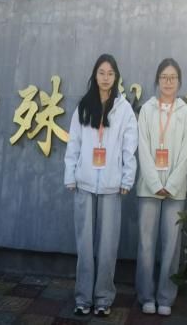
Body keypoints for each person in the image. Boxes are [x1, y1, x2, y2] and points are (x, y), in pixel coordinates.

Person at [63, 53, 138, 317]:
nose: (106, 78)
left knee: (108, 247)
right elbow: (74, 143)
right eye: (101, 73)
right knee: (84, 246)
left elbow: (130, 147)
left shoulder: (124, 109)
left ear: (116, 77)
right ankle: (83, 298)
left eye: (110, 73)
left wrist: (127, 178)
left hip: (111, 186)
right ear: (95, 76)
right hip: (84, 184)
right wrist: (70, 175)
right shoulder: (84, 106)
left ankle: (104, 298)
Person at [135, 58, 187, 317]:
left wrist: (170, 185)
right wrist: (155, 183)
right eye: (164, 77)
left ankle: (166, 296)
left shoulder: (184, 112)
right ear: (157, 81)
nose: (168, 82)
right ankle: (146, 296)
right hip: (148, 189)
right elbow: (143, 149)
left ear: (179, 82)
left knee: (171, 246)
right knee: (146, 244)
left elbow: (186, 152)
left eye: (173, 77)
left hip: (175, 190)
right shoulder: (147, 110)